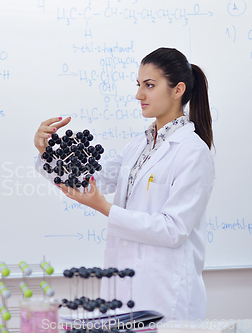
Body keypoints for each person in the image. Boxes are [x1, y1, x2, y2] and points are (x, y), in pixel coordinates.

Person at [34, 47, 215, 320]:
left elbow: (173, 229)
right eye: (139, 85)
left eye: (149, 85)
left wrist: (105, 208)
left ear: (178, 90)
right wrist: (46, 151)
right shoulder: (139, 145)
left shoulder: (193, 151)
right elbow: (92, 179)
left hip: (166, 293)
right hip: (126, 288)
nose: (139, 94)